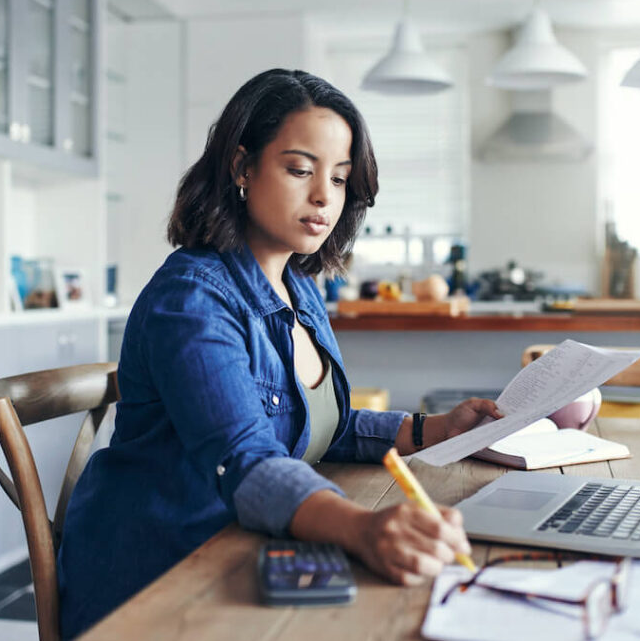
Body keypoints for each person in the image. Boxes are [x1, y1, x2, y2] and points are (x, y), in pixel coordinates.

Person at [56, 68, 500, 638]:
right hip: (160, 579)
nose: (324, 196)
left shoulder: (301, 288)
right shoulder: (192, 299)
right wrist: (363, 529)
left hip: (242, 552)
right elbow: (246, 458)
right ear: (242, 167)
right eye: (300, 170)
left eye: (339, 180)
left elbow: (317, 428)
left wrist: (434, 429)